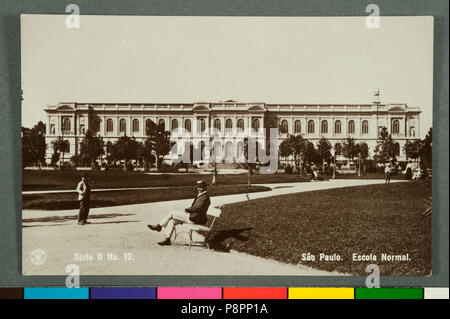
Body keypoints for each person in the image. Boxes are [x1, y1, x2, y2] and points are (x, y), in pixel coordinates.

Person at [147, 180, 211, 246]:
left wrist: (187, 210)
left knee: (172, 213)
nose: (199, 189)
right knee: (172, 221)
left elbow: (198, 207)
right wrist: (188, 210)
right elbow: (196, 207)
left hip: (195, 219)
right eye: (198, 187)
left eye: (201, 187)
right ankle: (167, 239)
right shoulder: (202, 195)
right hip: (194, 217)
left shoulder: (205, 197)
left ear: (205, 187)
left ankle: (159, 226)